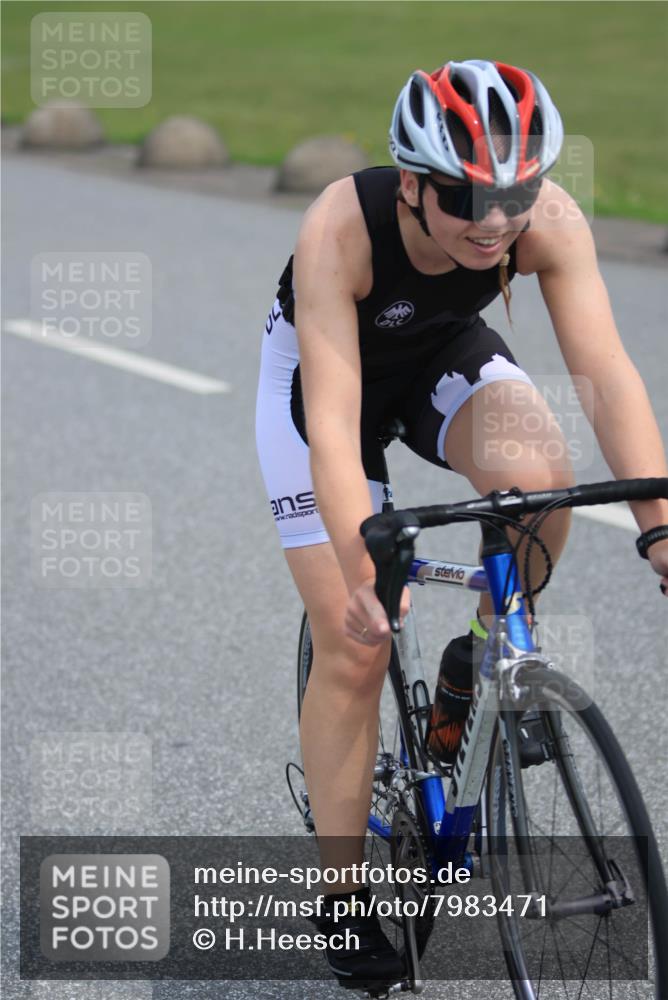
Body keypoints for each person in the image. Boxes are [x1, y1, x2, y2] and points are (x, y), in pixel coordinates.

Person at [255, 58, 668, 990]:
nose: (494, 218)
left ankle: (476, 662)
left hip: (441, 357)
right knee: (356, 645)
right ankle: (345, 892)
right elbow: (331, 423)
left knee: (540, 486)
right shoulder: (341, 227)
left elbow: (610, 377)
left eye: (515, 190)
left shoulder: (544, 222)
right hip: (326, 390)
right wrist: (367, 573)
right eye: (464, 196)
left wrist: (658, 523)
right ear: (411, 181)